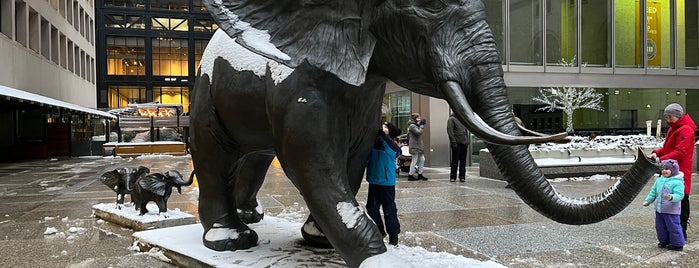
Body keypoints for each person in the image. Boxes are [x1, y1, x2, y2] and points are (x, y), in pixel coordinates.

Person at [650, 103, 696, 240]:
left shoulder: (686, 130)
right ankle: (671, 232)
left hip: (680, 171)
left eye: (670, 116)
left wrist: (661, 159)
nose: (667, 119)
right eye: (666, 117)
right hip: (669, 168)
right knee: (668, 201)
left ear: (678, 116)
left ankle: (681, 232)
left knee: (680, 199)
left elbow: (680, 152)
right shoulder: (673, 129)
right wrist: (656, 153)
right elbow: (668, 148)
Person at [365, 122, 401, 246]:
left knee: (389, 209)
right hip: (374, 181)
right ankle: (379, 231)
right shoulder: (374, 142)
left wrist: (383, 135)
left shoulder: (391, 145)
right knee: (371, 207)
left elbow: (395, 151)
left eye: (386, 127)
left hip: (386, 183)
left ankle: (393, 235)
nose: (382, 128)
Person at [643, 159, 685, 251]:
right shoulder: (659, 180)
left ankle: (677, 244)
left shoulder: (677, 182)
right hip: (659, 209)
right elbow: (653, 192)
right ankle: (664, 241)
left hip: (671, 210)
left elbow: (680, 195)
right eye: (663, 169)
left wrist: (672, 197)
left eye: (667, 169)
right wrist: (648, 200)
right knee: (660, 227)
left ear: (673, 170)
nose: (664, 171)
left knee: (673, 227)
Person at [447, 113, 470, 182]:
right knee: (455, 161)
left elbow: (465, 131)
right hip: (456, 143)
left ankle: (462, 176)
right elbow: (450, 131)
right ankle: (453, 177)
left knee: (463, 161)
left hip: (464, 143)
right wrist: (453, 142)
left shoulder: (462, 119)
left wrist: (467, 141)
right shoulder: (451, 119)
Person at [407, 113, 428, 181]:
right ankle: (410, 175)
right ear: (415, 119)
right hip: (414, 145)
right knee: (414, 160)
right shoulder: (412, 126)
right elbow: (418, 132)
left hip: (419, 145)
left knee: (422, 159)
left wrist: (420, 125)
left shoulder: (416, 125)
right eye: (418, 118)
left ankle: (420, 174)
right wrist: (421, 125)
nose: (419, 119)